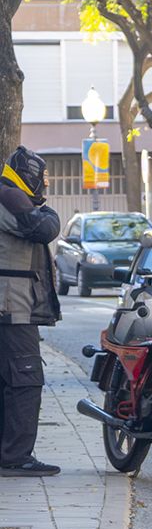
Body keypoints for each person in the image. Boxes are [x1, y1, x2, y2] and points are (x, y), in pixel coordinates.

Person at [0, 148, 62, 477]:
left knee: (6, 380)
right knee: (26, 378)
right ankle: (15, 456)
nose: (45, 185)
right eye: (42, 178)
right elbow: (44, 228)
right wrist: (49, 211)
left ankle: (8, 452)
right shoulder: (11, 198)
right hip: (11, 306)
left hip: (9, 305)